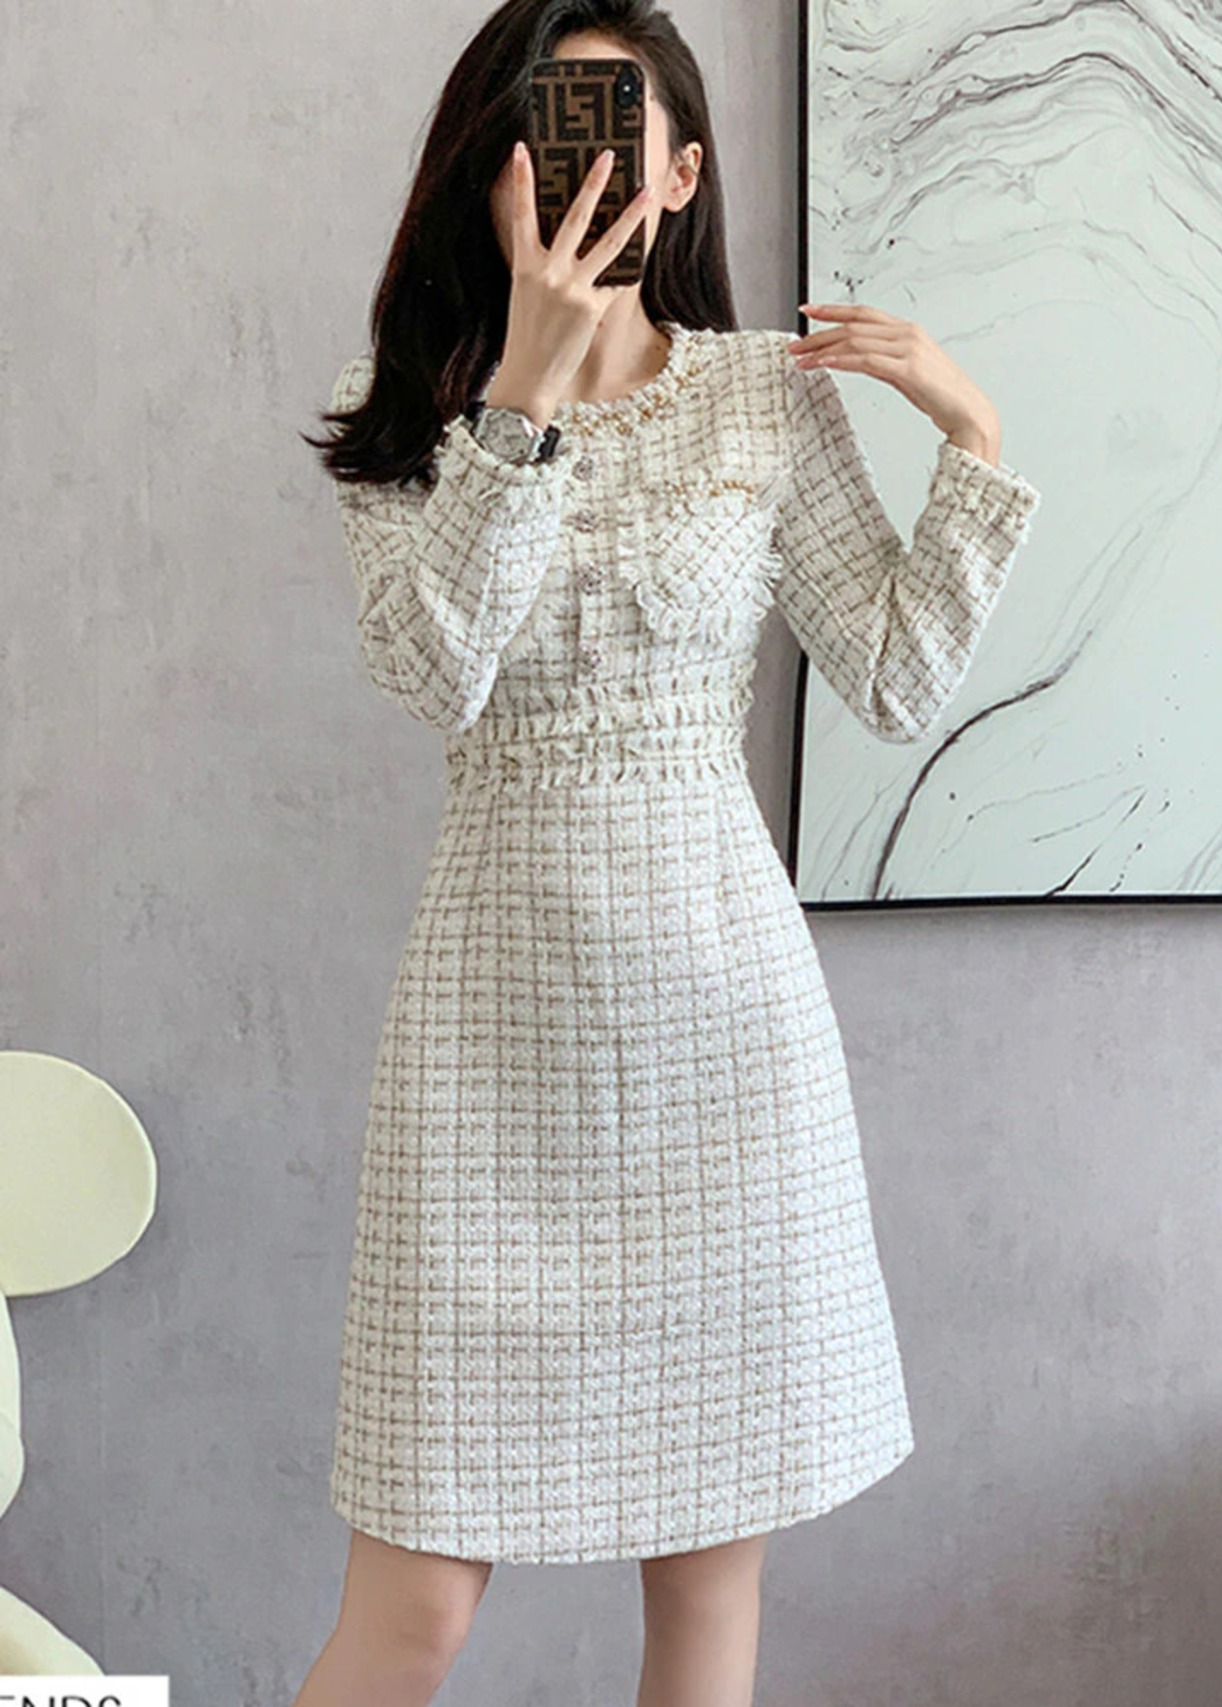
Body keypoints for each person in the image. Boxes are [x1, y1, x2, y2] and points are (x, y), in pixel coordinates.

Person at [295, 2, 1041, 1703]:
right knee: (415, 1614)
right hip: (491, 1053)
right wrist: (526, 390)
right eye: (547, 135)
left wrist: (973, 445)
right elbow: (432, 671)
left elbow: (895, 677)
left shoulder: (761, 400)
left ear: (685, 176)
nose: (582, 173)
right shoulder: (402, 411)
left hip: (726, 1051)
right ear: (494, 169)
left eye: (619, 137)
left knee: (708, 1609)